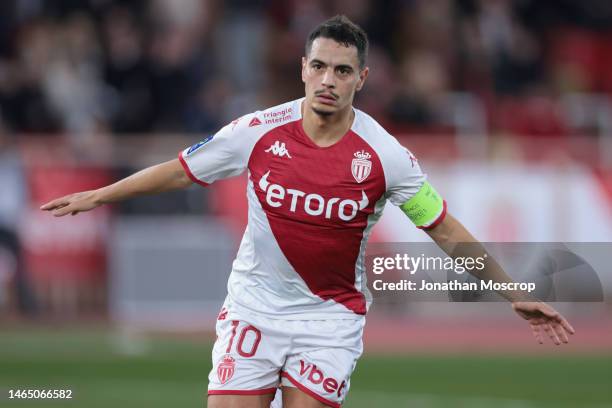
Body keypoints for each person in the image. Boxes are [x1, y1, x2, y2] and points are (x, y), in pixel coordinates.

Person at [41, 15, 575, 408]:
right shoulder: (256, 131)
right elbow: (181, 168)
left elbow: (443, 227)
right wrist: (98, 195)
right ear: (302, 68)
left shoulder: (386, 156)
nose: (328, 80)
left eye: (342, 71)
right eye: (318, 66)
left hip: (329, 319)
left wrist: (514, 292)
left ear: (361, 79)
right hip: (253, 306)